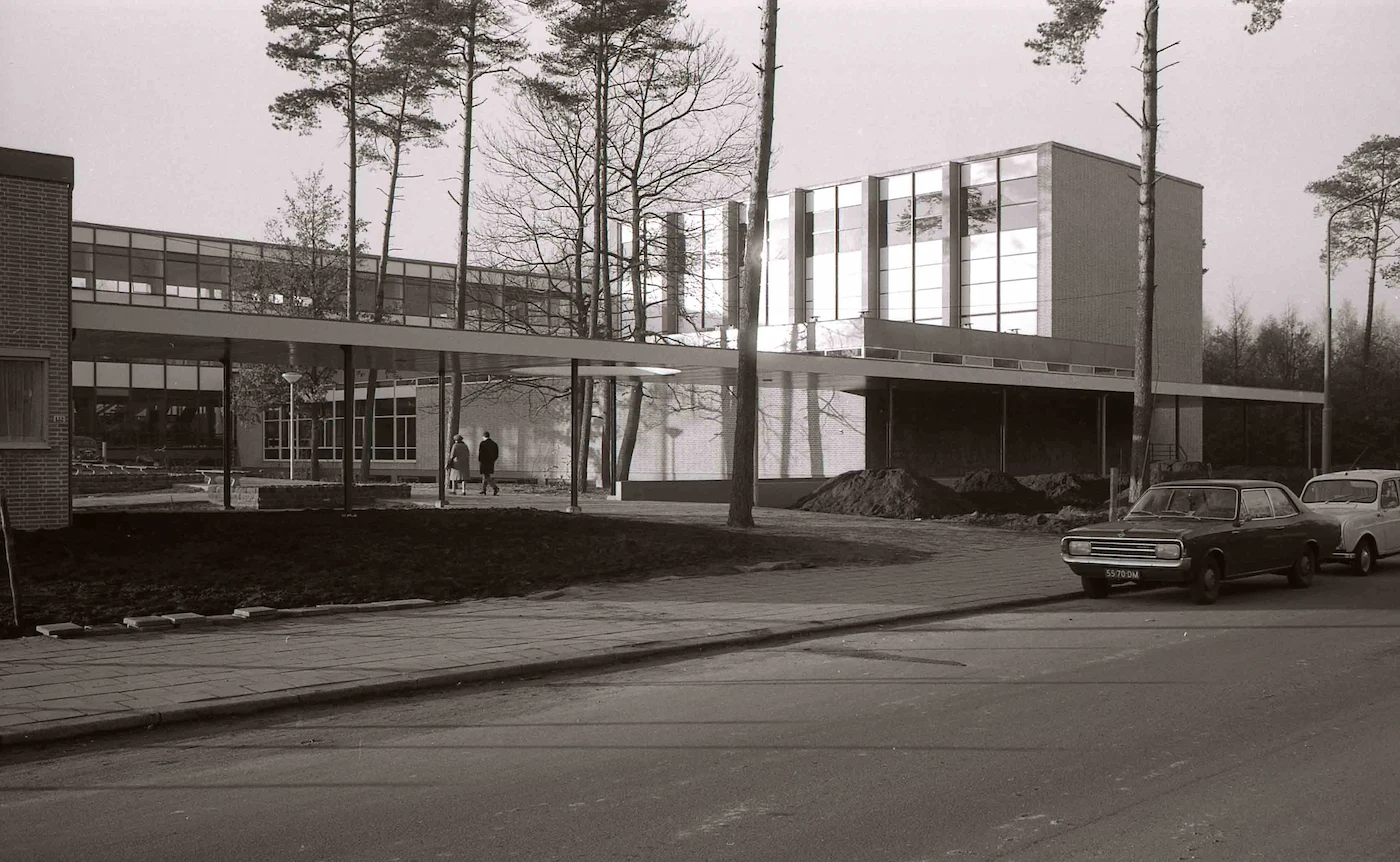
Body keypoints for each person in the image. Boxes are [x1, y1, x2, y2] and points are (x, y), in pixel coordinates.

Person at [478, 431, 500, 496]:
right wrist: (493, 460)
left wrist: (480, 460)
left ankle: (495, 487)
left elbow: (481, 453)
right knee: (486, 476)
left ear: (483, 436)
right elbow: (496, 454)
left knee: (486, 476)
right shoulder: (494, 444)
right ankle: (483, 489)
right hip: (490, 462)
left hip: (484, 462)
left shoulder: (482, 443)